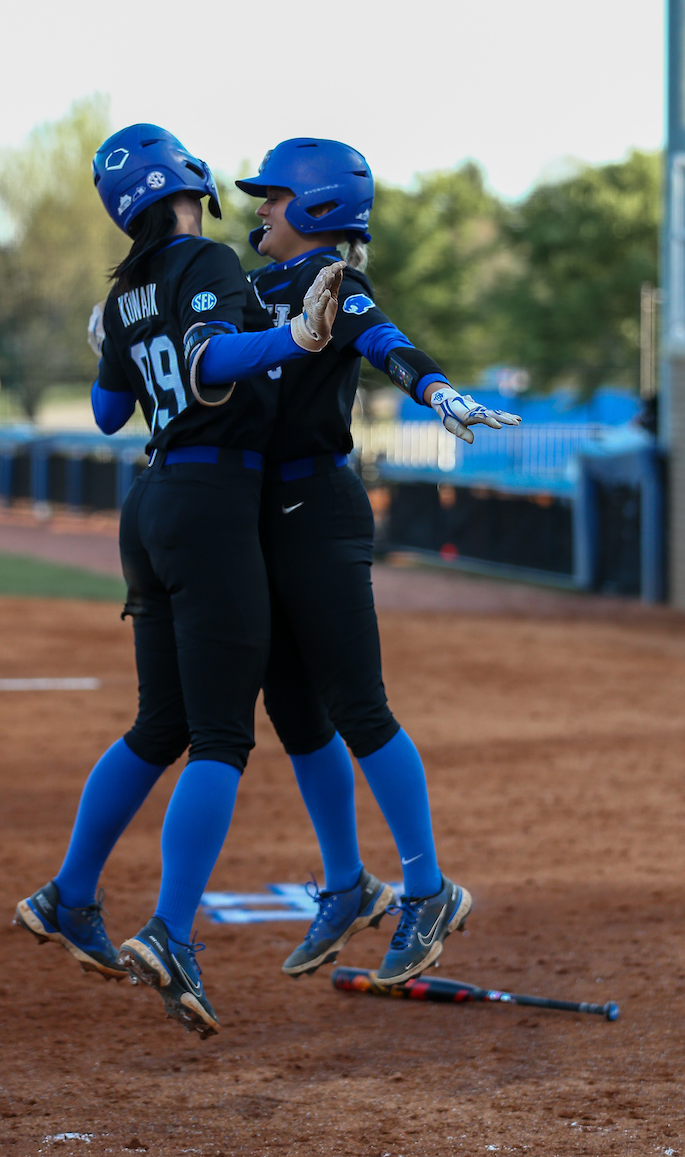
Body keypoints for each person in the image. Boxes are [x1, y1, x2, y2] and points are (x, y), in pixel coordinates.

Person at [14, 124, 343, 1038]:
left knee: (159, 724)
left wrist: (115, 336)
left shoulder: (126, 290)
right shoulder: (201, 255)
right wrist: (289, 335)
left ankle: (69, 896)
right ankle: (170, 929)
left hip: (149, 506)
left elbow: (110, 412)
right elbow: (206, 365)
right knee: (220, 737)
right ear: (188, 179)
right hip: (209, 501)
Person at [235, 138, 521, 985]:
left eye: (274, 197)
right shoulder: (252, 285)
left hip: (317, 509)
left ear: (318, 210)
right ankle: (348, 886)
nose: (259, 207)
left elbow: (382, 339)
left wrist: (435, 390)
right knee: (292, 709)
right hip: (262, 515)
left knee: (359, 704)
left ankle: (427, 889)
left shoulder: (336, 283)